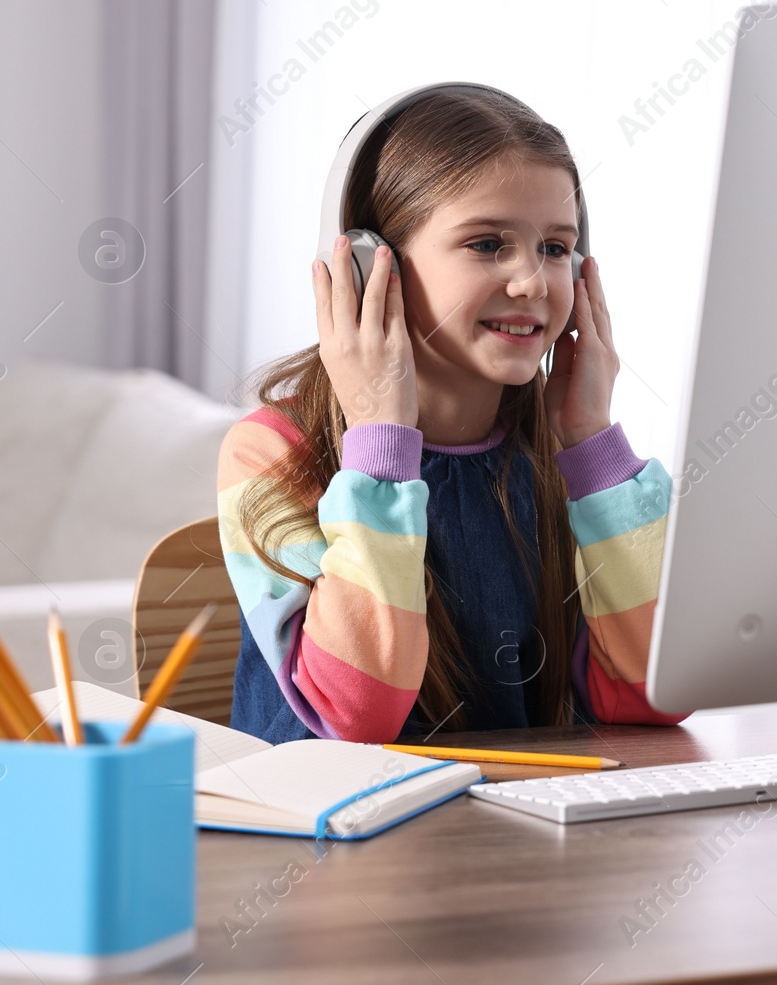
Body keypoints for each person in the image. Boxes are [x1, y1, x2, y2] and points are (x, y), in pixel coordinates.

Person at [216, 87, 688, 743]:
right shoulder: (271, 452)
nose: (532, 280)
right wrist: (380, 438)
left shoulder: (558, 461)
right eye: (489, 243)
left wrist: (592, 446)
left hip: (521, 839)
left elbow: (655, 695)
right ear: (364, 262)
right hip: (344, 838)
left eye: (556, 248)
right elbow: (357, 716)